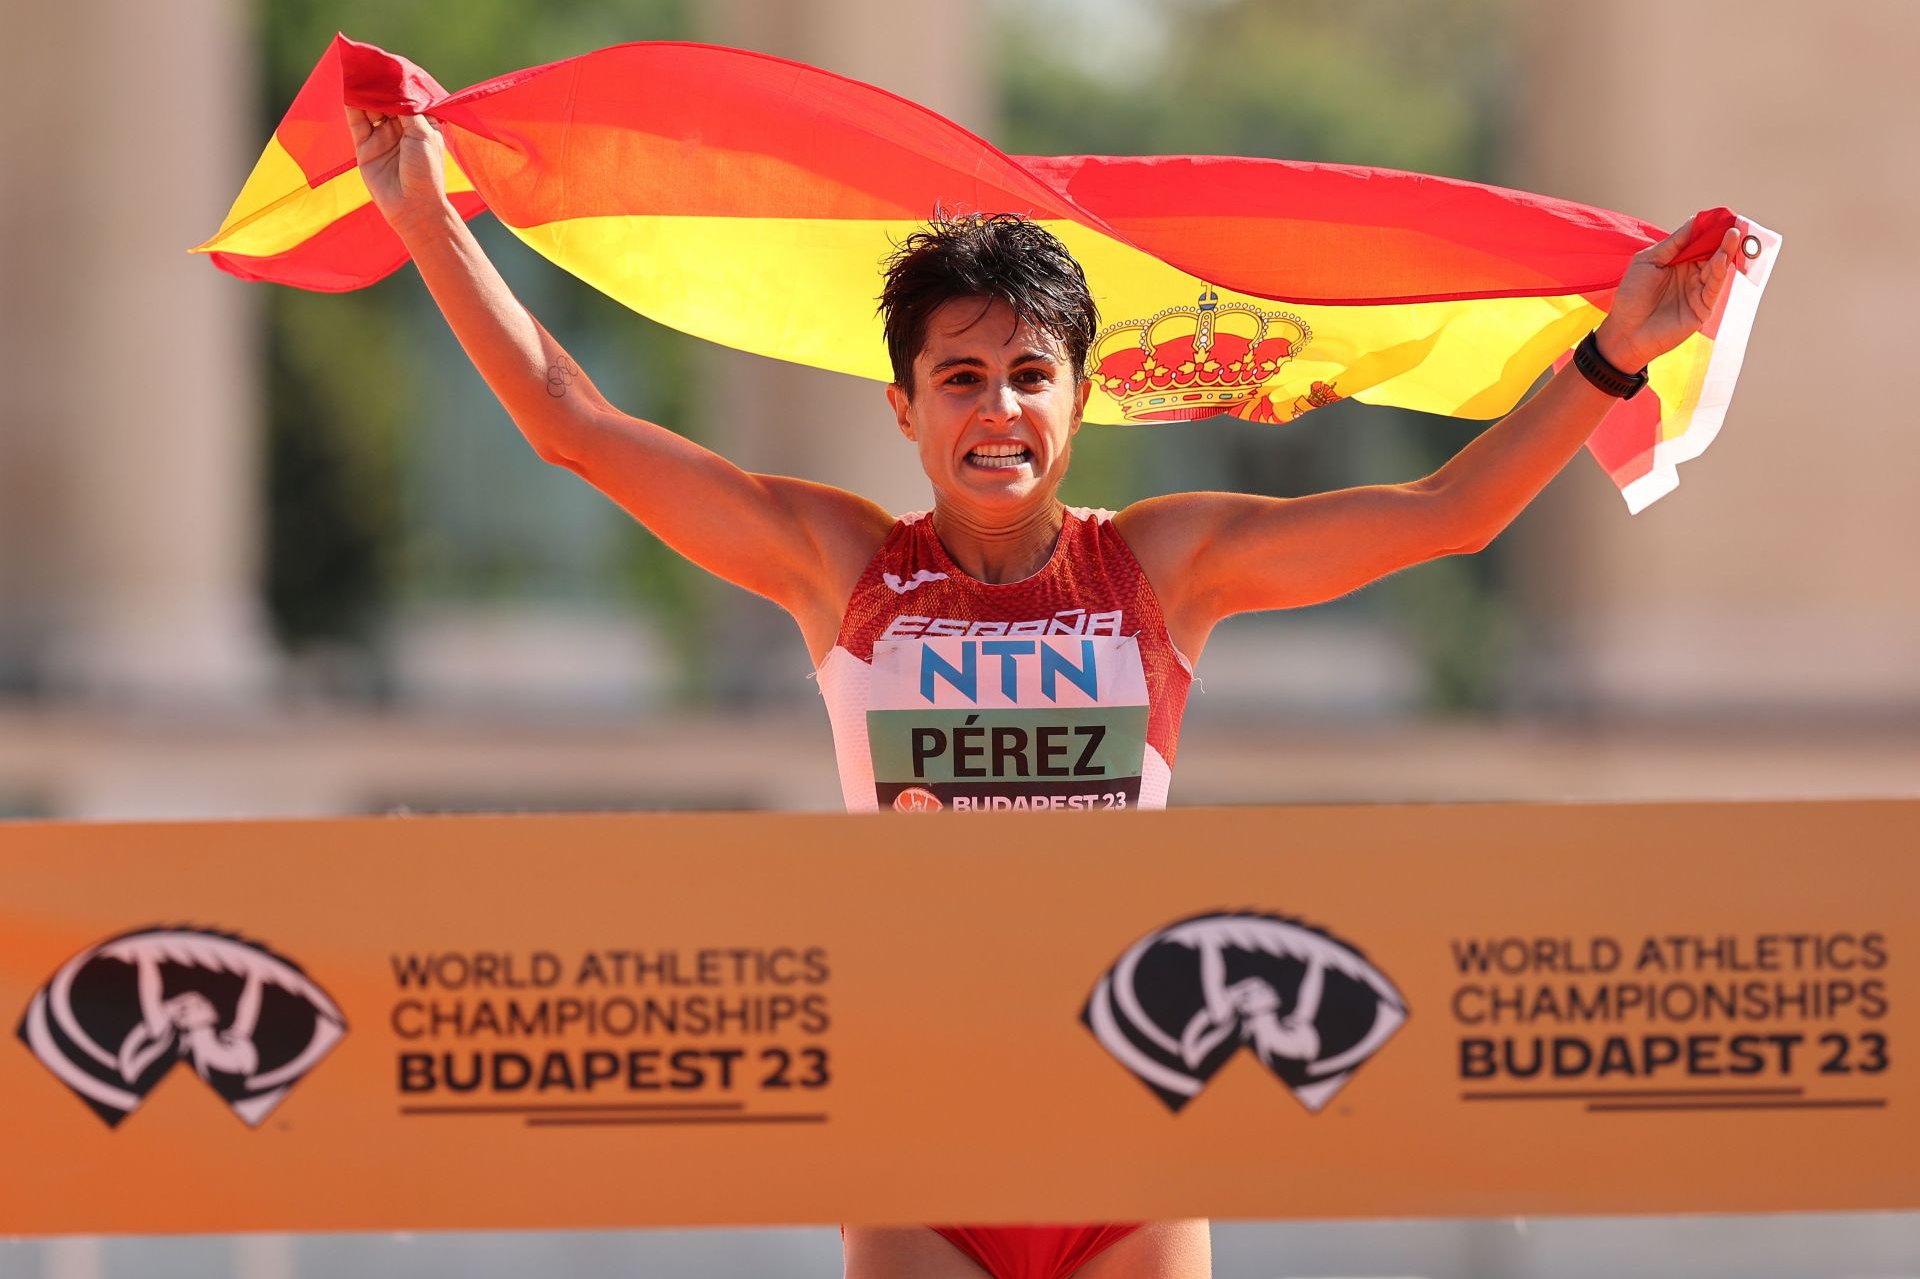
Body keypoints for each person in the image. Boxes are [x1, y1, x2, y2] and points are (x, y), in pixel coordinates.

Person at [347, 104, 1739, 1279]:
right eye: (959, 378)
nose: (996, 409)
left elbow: (1448, 513)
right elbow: (572, 426)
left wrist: (1618, 353)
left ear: (1081, 398)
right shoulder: (836, 564)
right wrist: (425, 216)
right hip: (918, 1119)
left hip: (1130, 1107)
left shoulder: (1167, 566)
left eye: (1029, 375)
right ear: (903, 407)